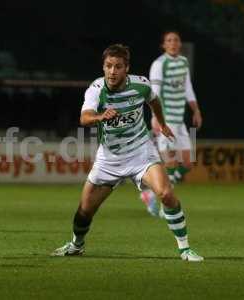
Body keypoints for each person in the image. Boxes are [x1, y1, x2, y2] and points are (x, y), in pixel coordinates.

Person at [51, 44, 203, 261]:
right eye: (108, 66)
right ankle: (76, 245)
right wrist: (99, 117)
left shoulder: (140, 85)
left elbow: (154, 100)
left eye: (118, 67)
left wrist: (161, 122)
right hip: (109, 159)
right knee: (85, 210)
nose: (112, 71)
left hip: (142, 152)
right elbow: (84, 117)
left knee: (166, 194)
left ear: (126, 69)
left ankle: (185, 248)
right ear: (103, 67)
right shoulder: (96, 89)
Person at [140, 30, 203, 217]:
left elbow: (188, 88)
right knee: (170, 163)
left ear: (180, 43)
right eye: (169, 40)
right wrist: (155, 118)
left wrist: (196, 110)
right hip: (165, 120)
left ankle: (151, 194)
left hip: (179, 121)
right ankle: (164, 205)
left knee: (188, 162)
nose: (173, 43)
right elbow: (154, 92)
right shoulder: (159, 64)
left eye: (176, 40)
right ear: (163, 45)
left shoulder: (183, 62)